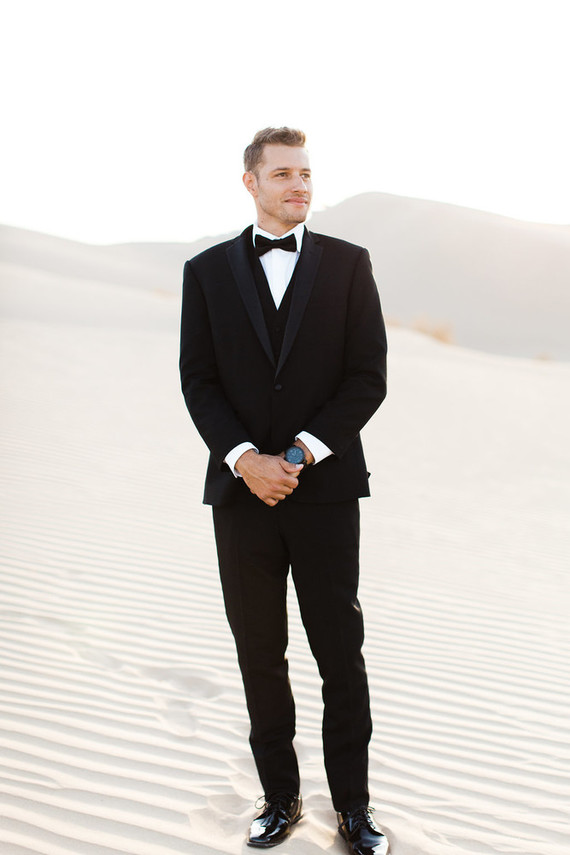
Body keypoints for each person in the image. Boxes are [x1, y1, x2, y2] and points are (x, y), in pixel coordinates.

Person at [180, 127, 389, 854]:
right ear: (251, 182)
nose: (299, 185)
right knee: (259, 652)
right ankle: (280, 798)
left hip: (325, 492)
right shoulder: (204, 272)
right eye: (283, 174)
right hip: (242, 497)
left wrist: (297, 453)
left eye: (306, 173)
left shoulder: (350, 265)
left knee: (341, 653)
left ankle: (355, 809)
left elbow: (368, 377)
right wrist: (245, 459)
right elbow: (198, 380)